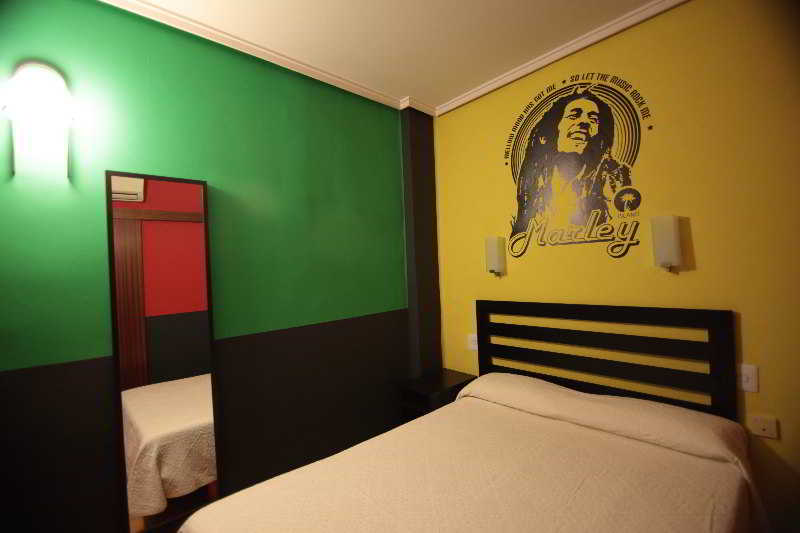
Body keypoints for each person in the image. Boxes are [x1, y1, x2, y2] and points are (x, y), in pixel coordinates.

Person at [511, 86, 632, 237]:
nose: (585, 122)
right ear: (555, 127)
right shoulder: (534, 181)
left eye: (593, 119)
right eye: (574, 115)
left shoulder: (615, 177)